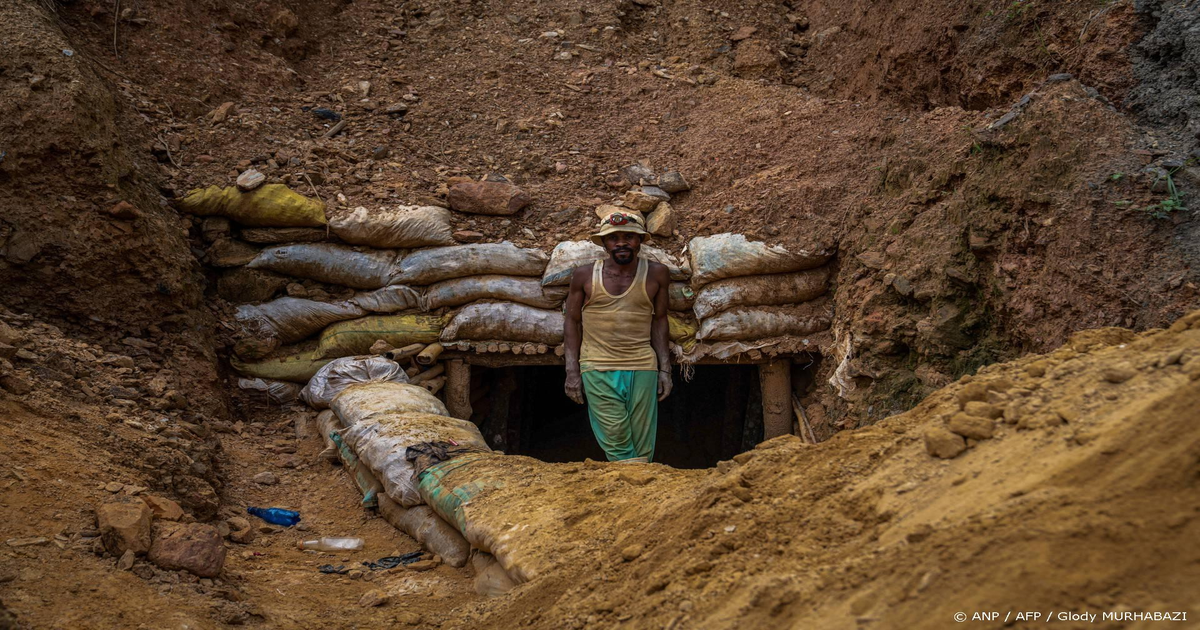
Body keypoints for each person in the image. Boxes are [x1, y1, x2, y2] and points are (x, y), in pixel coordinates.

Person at [563, 209, 672, 463]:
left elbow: (660, 319)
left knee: (642, 440)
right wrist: (572, 372)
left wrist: (665, 370)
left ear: (640, 241)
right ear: (604, 244)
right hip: (597, 366)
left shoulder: (657, 273)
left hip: (642, 365)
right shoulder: (584, 275)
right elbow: (572, 321)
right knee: (617, 439)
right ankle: (632, 491)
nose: (621, 242)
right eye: (613, 238)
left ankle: (639, 495)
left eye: (629, 237)